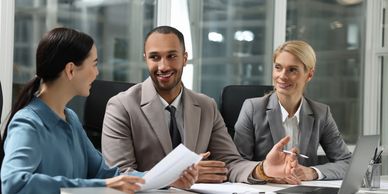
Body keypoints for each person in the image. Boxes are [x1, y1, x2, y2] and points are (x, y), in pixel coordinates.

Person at [102, 25, 300, 185]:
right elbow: (120, 175)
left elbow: (230, 163)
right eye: (155, 57)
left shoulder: (206, 106)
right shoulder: (121, 106)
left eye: (172, 56)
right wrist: (179, 175)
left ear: (185, 58)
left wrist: (263, 169)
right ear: (146, 59)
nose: (163, 66)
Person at [1, 27, 179, 194]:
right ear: (71, 70)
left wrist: (168, 178)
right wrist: (101, 186)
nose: (97, 73)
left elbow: (107, 174)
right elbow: (14, 183)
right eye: (93, 64)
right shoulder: (28, 123)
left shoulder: (70, 119)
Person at [234, 40, 352, 183]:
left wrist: (312, 172)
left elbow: (347, 162)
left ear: (309, 75)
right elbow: (237, 164)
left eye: (292, 70)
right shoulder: (252, 108)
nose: (282, 76)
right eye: (278, 67)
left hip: (303, 189)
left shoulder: (321, 113)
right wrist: (265, 173)